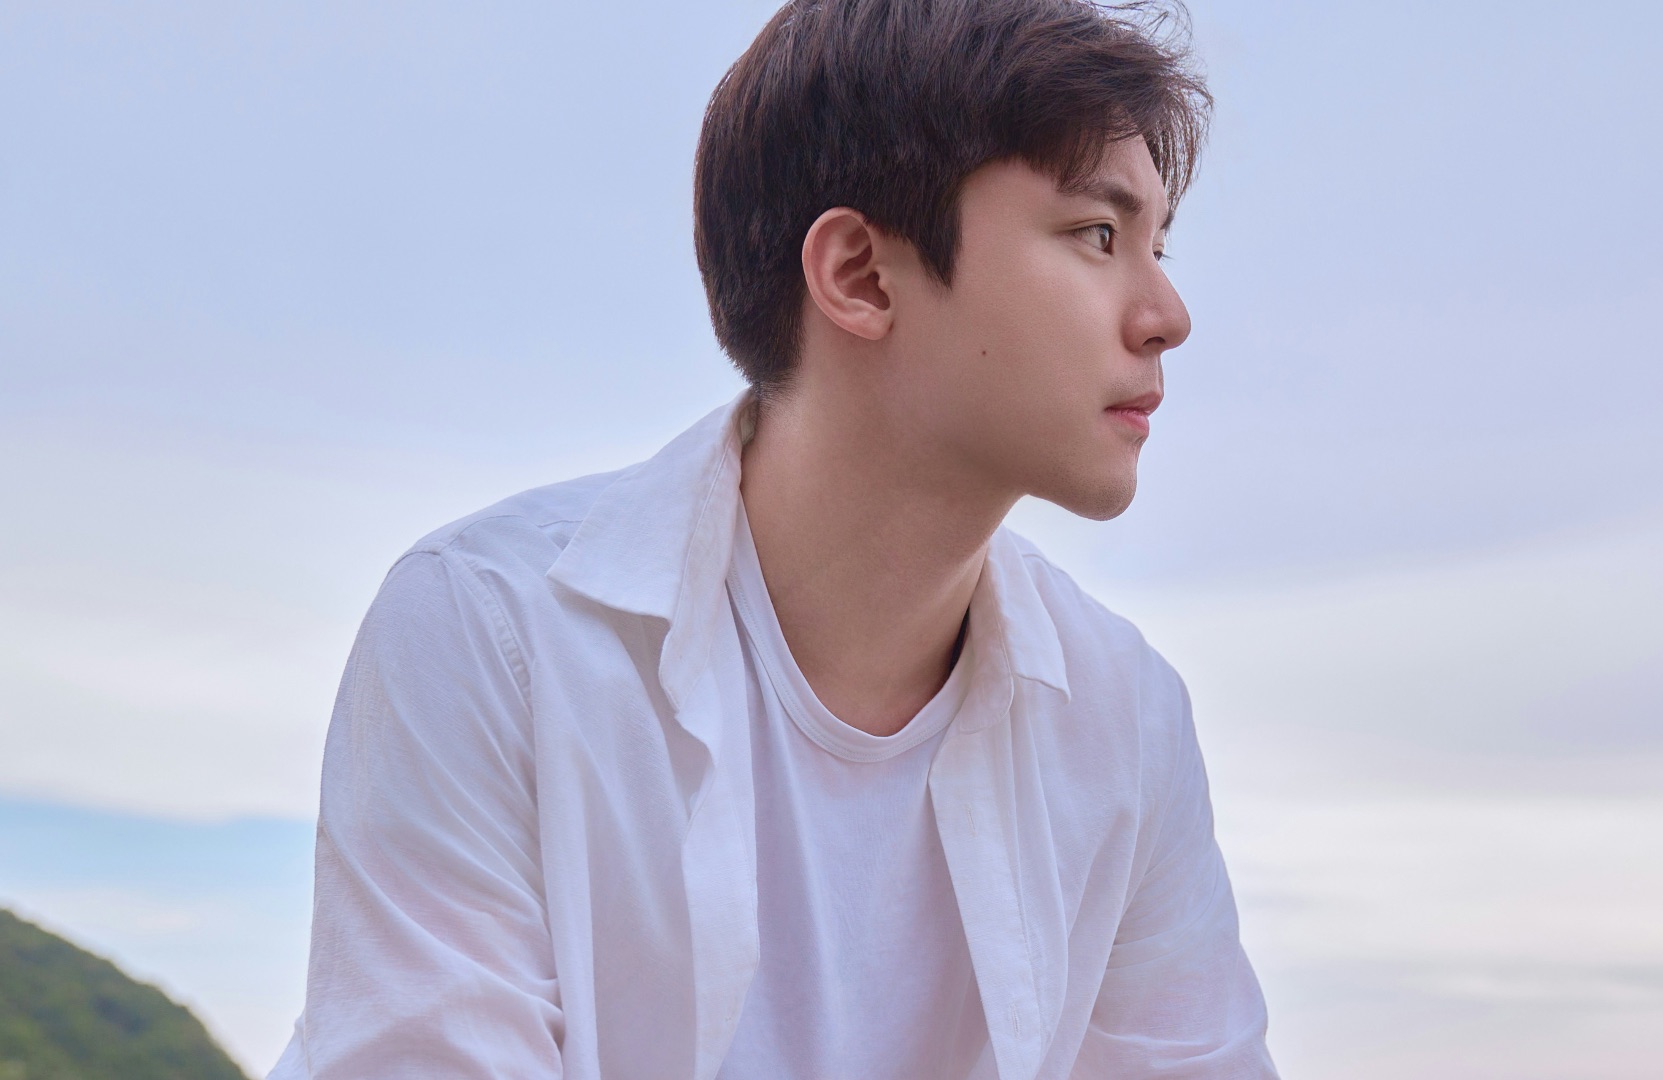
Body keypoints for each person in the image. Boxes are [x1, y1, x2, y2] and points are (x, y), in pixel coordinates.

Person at [268, 0, 1277, 1076]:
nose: (1166, 311)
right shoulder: (490, 631)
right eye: (1097, 235)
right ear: (858, 274)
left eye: (1157, 246)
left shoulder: (1124, 718)